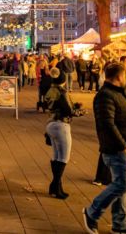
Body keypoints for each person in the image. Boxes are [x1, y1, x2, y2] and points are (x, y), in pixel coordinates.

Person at [83, 63, 126, 234]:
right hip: (116, 149)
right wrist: (123, 145)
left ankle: (120, 225)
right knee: (122, 185)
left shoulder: (117, 94)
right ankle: (92, 212)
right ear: (120, 76)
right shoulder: (105, 95)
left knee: (123, 187)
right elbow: (107, 123)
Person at [44, 67, 73, 199]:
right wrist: (79, 111)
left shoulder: (50, 90)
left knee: (56, 156)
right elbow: (68, 110)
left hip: (50, 124)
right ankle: (56, 185)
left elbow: (46, 105)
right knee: (63, 158)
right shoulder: (62, 92)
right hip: (61, 125)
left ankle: (56, 186)